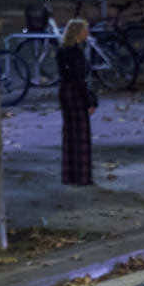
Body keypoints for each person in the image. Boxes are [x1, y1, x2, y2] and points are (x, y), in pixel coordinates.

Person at [57, 19, 95, 186]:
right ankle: (82, 176)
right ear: (78, 33)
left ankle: (70, 175)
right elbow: (79, 79)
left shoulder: (62, 50)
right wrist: (89, 101)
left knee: (70, 133)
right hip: (76, 93)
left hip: (65, 92)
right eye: (85, 30)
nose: (87, 33)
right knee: (81, 135)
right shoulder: (76, 53)